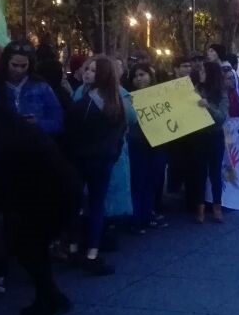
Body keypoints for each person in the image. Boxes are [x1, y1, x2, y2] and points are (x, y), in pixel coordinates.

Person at [0, 105, 75, 315]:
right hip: (57, 197)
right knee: (34, 251)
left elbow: (5, 181)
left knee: (29, 251)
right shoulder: (27, 133)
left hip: (44, 202)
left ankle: (51, 300)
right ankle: (47, 299)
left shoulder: (8, 143)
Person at [64, 55, 128, 274]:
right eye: (87, 69)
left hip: (85, 159)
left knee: (81, 204)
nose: (87, 73)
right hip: (102, 159)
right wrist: (112, 154)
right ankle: (90, 252)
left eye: (92, 70)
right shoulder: (114, 102)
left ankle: (77, 249)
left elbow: (71, 133)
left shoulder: (85, 102)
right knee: (95, 204)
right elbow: (120, 133)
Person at [0, 40, 64, 138]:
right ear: (6, 62)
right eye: (14, 65)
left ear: (30, 64)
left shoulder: (42, 88)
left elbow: (58, 122)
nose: (19, 70)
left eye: (23, 66)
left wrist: (38, 124)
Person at [126, 62, 168, 233]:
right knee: (138, 181)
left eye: (142, 75)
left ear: (150, 76)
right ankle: (136, 218)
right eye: (136, 76)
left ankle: (147, 215)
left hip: (157, 142)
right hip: (137, 143)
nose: (139, 79)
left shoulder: (161, 94)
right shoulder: (129, 97)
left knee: (152, 180)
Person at [192, 60, 229, 223]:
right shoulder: (195, 90)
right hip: (199, 136)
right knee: (199, 173)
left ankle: (217, 207)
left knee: (215, 174)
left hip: (215, 136)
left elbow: (222, 117)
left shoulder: (221, 93)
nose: (201, 74)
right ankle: (199, 209)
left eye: (204, 71)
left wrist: (208, 106)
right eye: (200, 71)